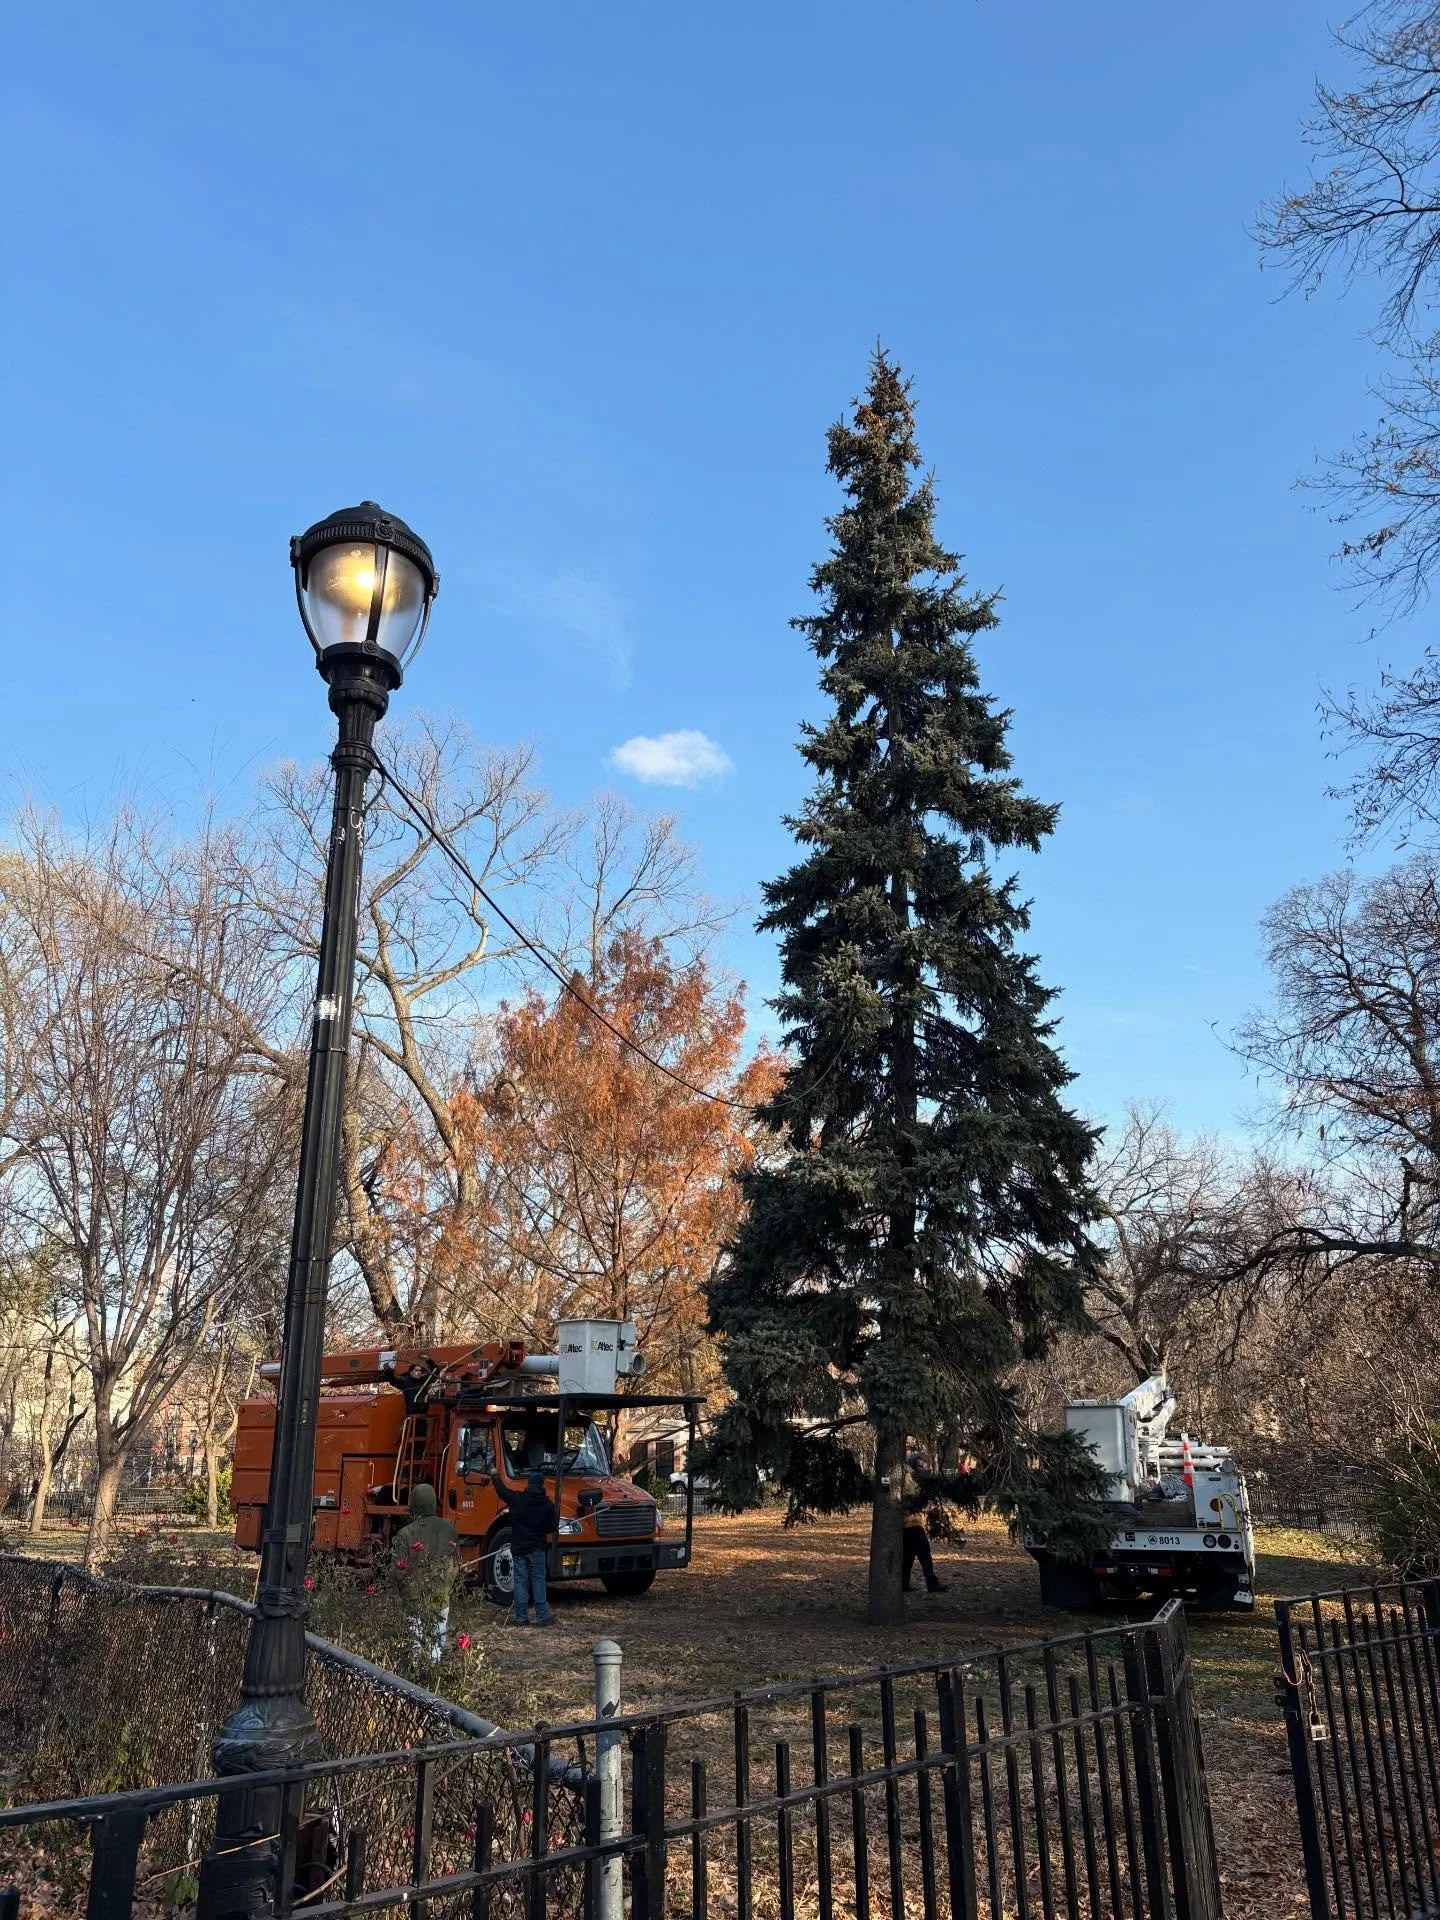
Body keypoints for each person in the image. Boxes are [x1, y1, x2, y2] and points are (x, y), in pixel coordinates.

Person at [390, 1482, 461, 1666]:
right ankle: (432, 1679)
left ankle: (416, 1681)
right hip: (441, 1597)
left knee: (416, 1644)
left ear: (413, 1504)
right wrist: (446, 1586)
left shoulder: (406, 1533)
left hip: (414, 1600)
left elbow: (397, 1571)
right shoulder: (448, 1528)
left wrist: (405, 1593)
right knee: (437, 1644)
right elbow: (455, 1564)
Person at [491, 1468, 560, 1626]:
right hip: (536, 1548)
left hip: (518, 1548)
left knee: (520, 1580)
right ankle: (542, 1616)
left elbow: (502, 1491)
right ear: (541, 1485)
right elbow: (553, 1526)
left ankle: (521, 1617)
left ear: (529, 1484)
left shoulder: (517, 1499)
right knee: (538, 1580)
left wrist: (495, 1476)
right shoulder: (547, 1504)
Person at [900, 1452, 948, 1594]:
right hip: (912, 1523)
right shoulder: (909, 1477)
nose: (922, 1468)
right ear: (914, 1464)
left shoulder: (910, 1476)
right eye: (920, 1465)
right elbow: (912, 1497)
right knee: (924, 1555)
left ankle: (904, 1584)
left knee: (908, 1557)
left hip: (909, 1524)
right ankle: (931, 1584)